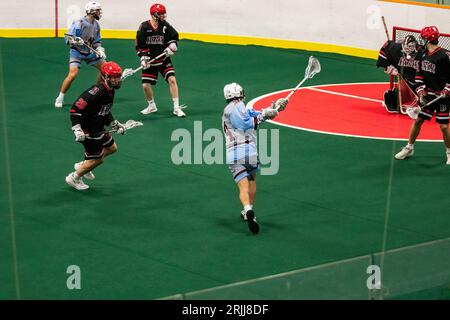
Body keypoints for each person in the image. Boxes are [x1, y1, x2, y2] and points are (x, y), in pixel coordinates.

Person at [222, 83, 288, 234]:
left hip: (233, 154)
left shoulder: (229, 109)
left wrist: (274, 107)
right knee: (252, 180)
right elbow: (247, 124)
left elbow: (255, 114)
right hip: (249, 151)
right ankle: (250, 211)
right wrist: (266, 114)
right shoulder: (240, 107)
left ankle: (247, 209)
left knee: (242, 186)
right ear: (239, 93)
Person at [65, 61, 126, 190]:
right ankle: (74, 178)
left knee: (112, 148)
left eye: (118, 76)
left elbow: (105, 110)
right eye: (114, 77)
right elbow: (75, 109)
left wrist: (114, 123)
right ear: (105, 77)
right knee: (98, 159)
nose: (117, 80)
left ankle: (85, 165)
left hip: (99, 128)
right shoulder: (97, 92)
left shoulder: (110, 90)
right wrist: (77, 130)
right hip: (89, 131)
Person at [394, 26, 450, 164]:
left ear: (428, 39)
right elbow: (418, 75)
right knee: (418, 120)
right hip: (429, 94)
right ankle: (409, 148)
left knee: (443, 126)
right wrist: (420, 92)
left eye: (423, 38)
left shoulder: (444, 56)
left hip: (442, 96)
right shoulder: (422, 54)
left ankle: (449, 152)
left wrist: (447, 89)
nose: (422, 40)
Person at [135, 3, 186, 117]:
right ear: (154, 14)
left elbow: (174, 37)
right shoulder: (144, 27)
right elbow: (140, 44)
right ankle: (151, 106)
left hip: (163, 59)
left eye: (164, 13)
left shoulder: (165, 26)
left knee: (172, 79)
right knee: (145, 85)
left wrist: (171, 46)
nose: (163, 15)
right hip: (151, 61)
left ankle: (176, 108)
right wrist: (143, 58)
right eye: (161, 13)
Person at [54, 1, 106, 108]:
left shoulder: (96, 25)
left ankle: (96, 93)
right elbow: (67, 38)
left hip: (90, 52)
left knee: (105, 69)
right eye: (98, 10)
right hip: (77, 52)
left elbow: (97, 41)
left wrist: (100, 50)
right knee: (73, 74)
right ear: (91, 11)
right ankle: (60, 97)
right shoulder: (79, 23)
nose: (100, 12)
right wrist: (75, 41)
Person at [376, 35, 421, 113]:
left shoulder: (422, 52)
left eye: (410, 49)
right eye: (406, 48)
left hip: (417, 78)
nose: (407, 52)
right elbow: (384, 51)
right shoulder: (394, 47)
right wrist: (389, 67)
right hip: (405, 77)